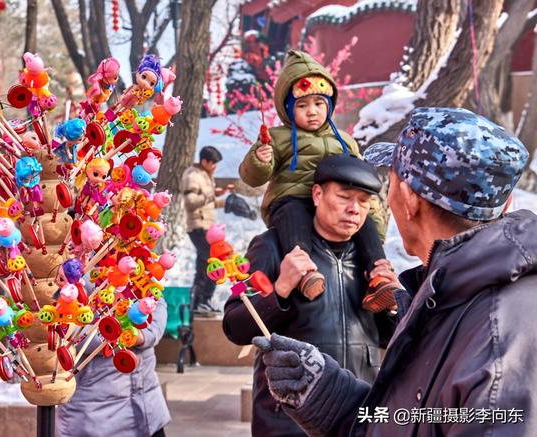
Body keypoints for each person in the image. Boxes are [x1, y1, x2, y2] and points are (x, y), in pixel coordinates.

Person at [253, 107, 537, 436]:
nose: (356, 209)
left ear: (407, 199)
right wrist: (332, 399)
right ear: (506, 204)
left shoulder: (498, 343)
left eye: (383, 187)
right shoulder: (451, 294)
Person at [223, 154, 398, 436]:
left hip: (354, 415)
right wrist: (280, 288)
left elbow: (388, 337)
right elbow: (234, 326)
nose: (354, 209)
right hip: (288, 420)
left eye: (364, 202)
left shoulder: (371, 261)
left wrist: (393, 307)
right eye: (344, 197)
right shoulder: (272, 247)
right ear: (317, 194)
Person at [239, 49, 397, 311]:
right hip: (293, 198)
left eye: (319, 104)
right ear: (289, 108)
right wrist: (261, 159)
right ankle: (304, 271)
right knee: (293, 213)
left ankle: (379, 276)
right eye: (302, 105)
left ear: (330, 105)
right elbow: (253, 177)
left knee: (365, 218)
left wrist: (373, 229)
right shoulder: (278, 137)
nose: (312, 112)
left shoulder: (344, 141)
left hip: (337, 203)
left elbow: (362, 184)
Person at [56, 297, 170, 437]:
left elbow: (153, 329)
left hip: (146, 409)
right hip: (95, 415)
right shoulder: (74, 286)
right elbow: (68, 333)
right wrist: (118, 330)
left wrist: (130, 332)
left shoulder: (143, 283)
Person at [182, 146, 226, 315]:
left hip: (208, 227)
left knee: (203, 265)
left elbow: (208, 202)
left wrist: (220, 198)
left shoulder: (206, 175)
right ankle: (204, 299)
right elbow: (190, 202)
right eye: (213, 163)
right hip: (198, 226)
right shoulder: (192, 175)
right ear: (204, 161)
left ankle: (197, 304)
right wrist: (211, 195)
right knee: (213, 262)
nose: (215, 166)